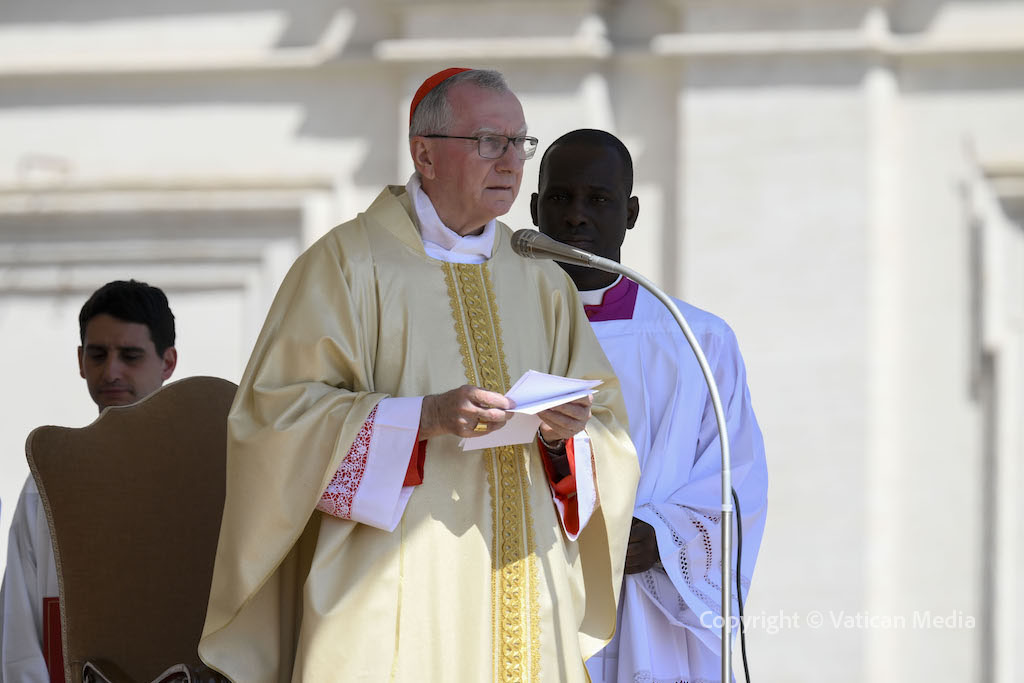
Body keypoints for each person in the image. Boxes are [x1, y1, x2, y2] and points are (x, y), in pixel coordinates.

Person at [198, 69, 639, 682]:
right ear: (424, 155)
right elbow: (275, 422)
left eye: (519, 143)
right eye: (489, 141)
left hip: (526, 582)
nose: (511, 162)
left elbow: (608, 426)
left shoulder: (540, 275)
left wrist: (564, 433)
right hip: (394, 586)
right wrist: (422, 418)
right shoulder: (347, 265)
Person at [532, 129, 769, 683]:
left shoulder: (696, 340)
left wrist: (664, 537)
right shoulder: (493, 336)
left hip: (645, 606)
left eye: (599, 199)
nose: (576, 216)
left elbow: (737, 478)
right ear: (536, 209)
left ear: (631, 213)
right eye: (561, 198)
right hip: (528, 586)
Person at [0, 279, 178, 683]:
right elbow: (19, 634)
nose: (111, 371)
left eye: (130, 356)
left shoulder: (208, 472)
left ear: (168, 363)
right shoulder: (46, 482)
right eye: (98, 355)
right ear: (80, 360)